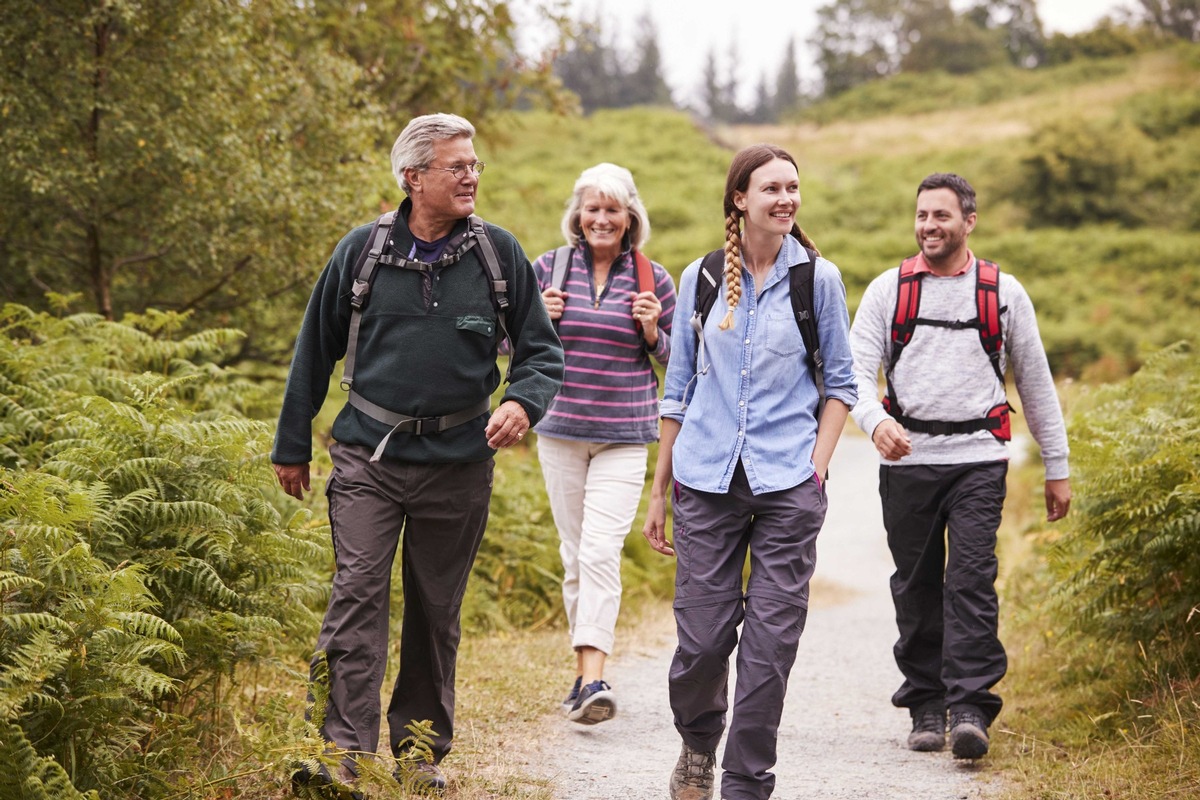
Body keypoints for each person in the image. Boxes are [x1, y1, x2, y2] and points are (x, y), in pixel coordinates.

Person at [271, 113, 563, 796]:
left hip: (461, 462)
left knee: (435, 610)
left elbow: (541, 350)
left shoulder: (498, 254)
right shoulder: (360, 252)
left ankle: (418, 755)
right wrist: (291, 445)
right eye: (456, 166)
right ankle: (338, 753)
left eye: (474, 165)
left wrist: (523, 401)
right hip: (367, 459)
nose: (471, 176)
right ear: (414, 177)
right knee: (357, 595)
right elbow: (312, 351)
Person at [643, 144, 857, 800]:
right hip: (705, 483)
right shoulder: (704, 278)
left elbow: (841, 385)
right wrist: (660, 489)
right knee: (703, 641)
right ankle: (699, 744)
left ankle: (746, 784)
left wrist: (816, 472)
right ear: (741, 199)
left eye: (793, 187)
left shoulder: (816, 279)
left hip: (789, 484)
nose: (786, 198)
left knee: (768, 648)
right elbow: (676, 387)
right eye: (772, 188)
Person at [849, 172, 1071, 760]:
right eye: (922, 215)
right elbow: (853, 374)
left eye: (941, 216)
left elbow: (1036, 382)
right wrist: (876, 423)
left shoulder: (1003, 292)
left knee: (970, 580)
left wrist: (1057, 465)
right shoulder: (887, 290)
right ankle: (926, 704)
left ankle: (970, 707)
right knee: (916, 585)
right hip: (908, 461)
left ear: (968, 221)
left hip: (979, 459)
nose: (929, 226)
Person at [531, 163, 676, 725]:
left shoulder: (652, 277)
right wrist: (536, 321)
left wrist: (651, 330)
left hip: (623, 436)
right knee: (574, 557)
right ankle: (582, 678)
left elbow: (678, 363)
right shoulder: (549, 268)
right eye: (593, 208)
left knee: (597, 552)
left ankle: (594, 679)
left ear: (630, 217)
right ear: (578, 214)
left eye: (613, 209)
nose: (602, 218)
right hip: (560, 432)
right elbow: (503, 344)